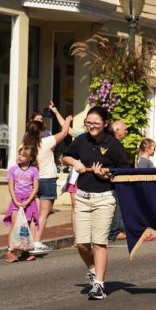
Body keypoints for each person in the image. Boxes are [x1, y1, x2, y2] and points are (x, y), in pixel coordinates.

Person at [61, 106, 131, 300]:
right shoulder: (81, 140)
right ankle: (93, 270)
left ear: (105, 124)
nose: (91, 126)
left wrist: (106, 172)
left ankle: (99, 285)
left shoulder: (113, 144)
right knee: (81, 244)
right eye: (88, 123)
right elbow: (65, 155)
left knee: (99, 243)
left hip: (104, 198)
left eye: (95, 123)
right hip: (83, 197)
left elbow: (124, 169)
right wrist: (74, 163)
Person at [24, 111, 73, 255]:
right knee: (44, 214)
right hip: (47, 180)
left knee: (35, 214)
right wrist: (68, 119)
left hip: (33, 180)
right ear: (40, 132)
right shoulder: (46, 142)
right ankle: (37, 242)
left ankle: (32, 241)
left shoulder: (26, 145)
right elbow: (64, 133)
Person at [4, 146, 40, 262]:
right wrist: (15, 200)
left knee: (26, 226)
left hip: (29, 201)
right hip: (17, 200)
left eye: (23, 155)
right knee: (15, 226)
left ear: (30, 158)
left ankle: (24, 251)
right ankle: (11, 251)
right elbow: (10, 186)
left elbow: (35, 188)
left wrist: (28, 201)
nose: (20, 157)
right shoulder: (12, 169)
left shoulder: (34, 170)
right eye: (19, 154)